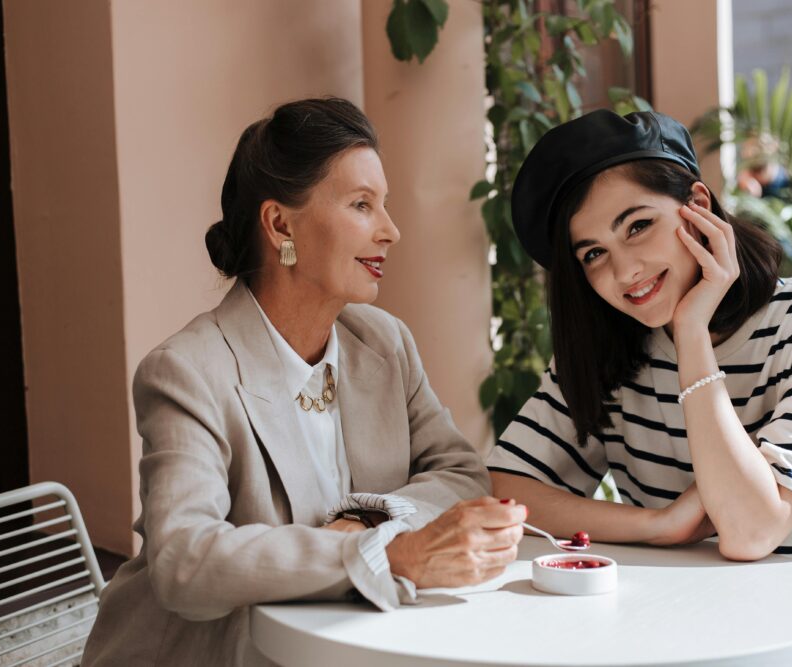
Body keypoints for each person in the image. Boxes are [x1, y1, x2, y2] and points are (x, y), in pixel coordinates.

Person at [83, 98, 525, 667]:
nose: (390, 231)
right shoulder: (187, 371)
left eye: (384, 206)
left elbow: (462, 475)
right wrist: (387, 557)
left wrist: (368, 518)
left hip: (347, 645)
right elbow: (185, 562)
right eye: (362, 205)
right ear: (280, 223)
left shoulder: (384, 342)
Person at [487, 110, 792, 667]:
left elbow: (752, 530)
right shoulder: (609, 350)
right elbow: (509, 494)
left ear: (698, 207)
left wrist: (690, 334)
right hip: (675, 646)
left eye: (637, 226)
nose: (625, 270)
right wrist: (658, 525)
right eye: (593, 254)